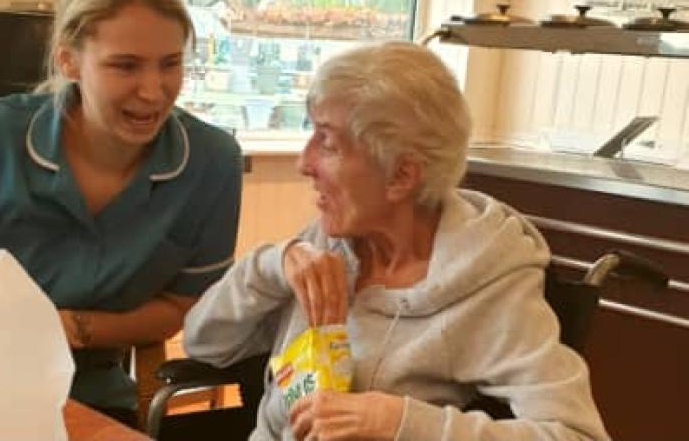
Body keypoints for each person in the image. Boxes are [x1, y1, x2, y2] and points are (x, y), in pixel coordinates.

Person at [183, 41, 610, 440]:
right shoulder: (330, 242)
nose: (303, 162)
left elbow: (574, 432)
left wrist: (399, 421)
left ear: (401, 176)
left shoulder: (486, 286)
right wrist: (274, 264)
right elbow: (204, 344)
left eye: (327, 143)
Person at [0, 0, 242, 426]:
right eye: (126, 65)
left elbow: (185, 305)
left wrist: (71, 328)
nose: (154, 91)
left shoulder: (213, 163)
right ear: (69, 61)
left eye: (170, 64)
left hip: (92, 389)